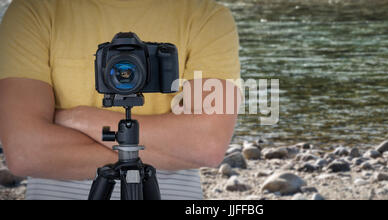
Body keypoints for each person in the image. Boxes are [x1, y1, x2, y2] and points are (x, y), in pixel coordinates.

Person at [0, 0, 240, 200]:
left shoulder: (209, 17)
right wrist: (170, 144)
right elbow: (24, 152)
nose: (125, 74)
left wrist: (77, 118)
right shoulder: (32, 11)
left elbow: (207, 144)